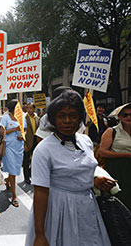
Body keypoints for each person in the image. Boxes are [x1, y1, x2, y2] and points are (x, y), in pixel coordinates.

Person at [25, 90, 113, 246]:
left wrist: (95, 182)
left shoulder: (85, 141)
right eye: (61, 116)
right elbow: (40, 192)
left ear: (79, 118)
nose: (67, 121)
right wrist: (39, 234)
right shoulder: (43, 150)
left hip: (87, 208)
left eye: (73, 116)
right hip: (59, 211)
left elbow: (82, 172)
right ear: (53, 119)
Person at [99, 102, 131, 210]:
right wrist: (126, 155)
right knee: (121, 200)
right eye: (125, 115)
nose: (129, 117)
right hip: (117, 169)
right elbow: (102, 152)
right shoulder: (112, 131)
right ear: (119, 116)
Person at [0, 99, 27, 207]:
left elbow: (24, 129)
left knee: (15, 169)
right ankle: (15, 196)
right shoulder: (6, 118)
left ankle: (8, 181)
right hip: (9, 147)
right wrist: (14, 129)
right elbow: (2, 132)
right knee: (12, 171)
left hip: (18, 147)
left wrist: (23, 135)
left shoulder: (22, 118)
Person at [23, 103, 40, 184]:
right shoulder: (24, 118)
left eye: (30, 108)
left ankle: (33, 175)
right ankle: (26, 177)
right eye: (27, 108)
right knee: (26, 161)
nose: (29, 110)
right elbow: (22, 132)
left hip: (36, 140)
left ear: (34, 109)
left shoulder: (37, 118)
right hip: (28, 141)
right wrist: (24, 144)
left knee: (35, 160)